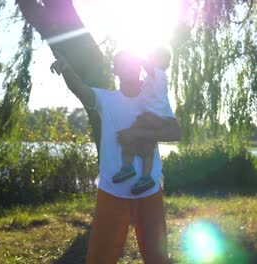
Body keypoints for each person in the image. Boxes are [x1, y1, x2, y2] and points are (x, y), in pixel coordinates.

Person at [50, 50, 181, 264]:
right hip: (112, 190)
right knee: (99, 258)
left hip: (148, 191)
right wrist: (66, 70)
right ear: (115, 70)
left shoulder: (153, 97)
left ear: (140, 67)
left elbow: (175, 133)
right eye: (124, 64)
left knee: (157, 258)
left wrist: (137, 134)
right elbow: (81, 90)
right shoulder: (106, 99)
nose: (130, 67)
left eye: (134, 63)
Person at [113, 47, 175, 195]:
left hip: (151, 116)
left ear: (160, 61)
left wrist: (137, 58)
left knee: (127, 136)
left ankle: (127, 167)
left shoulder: (158, 74)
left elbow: (148, 67)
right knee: (148, 147)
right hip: (156, 117)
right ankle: (146, 177)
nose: (149, 60)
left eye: (152, 57)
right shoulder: (154, 78)